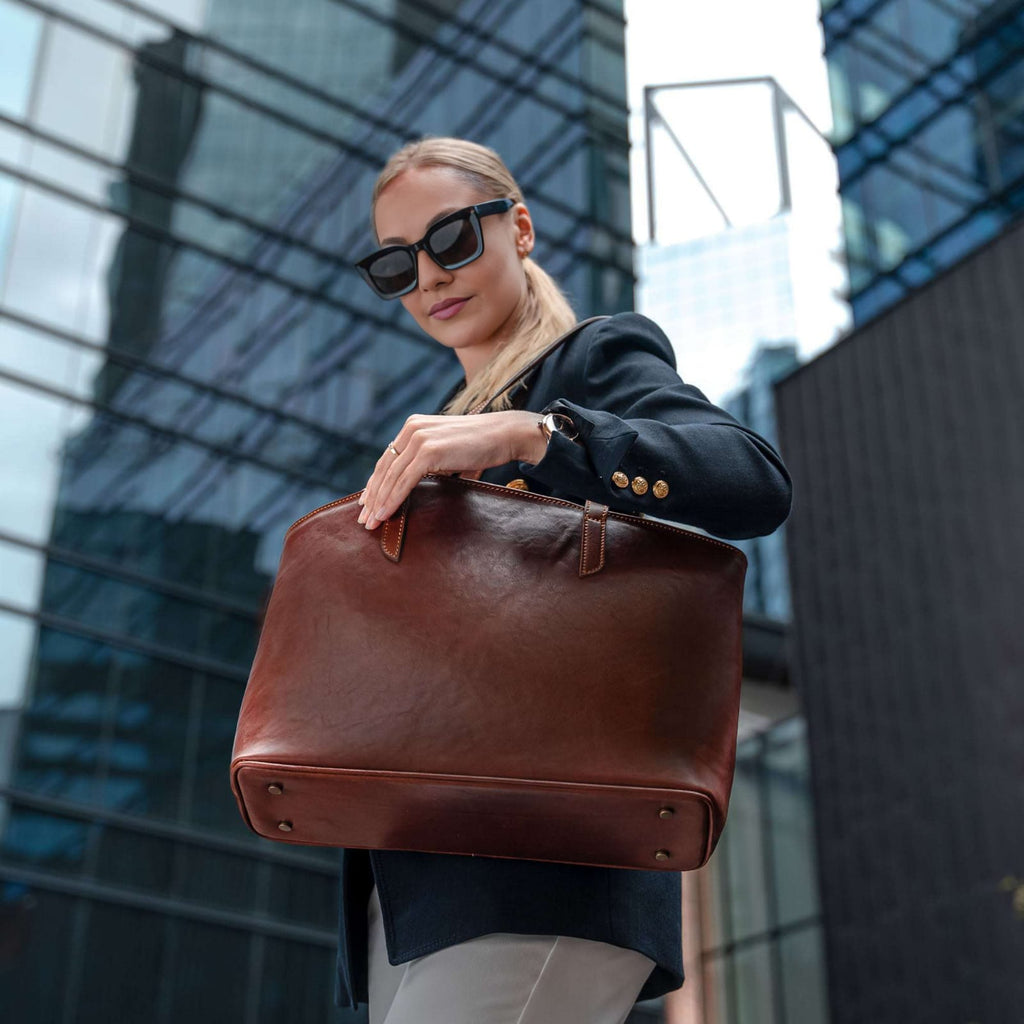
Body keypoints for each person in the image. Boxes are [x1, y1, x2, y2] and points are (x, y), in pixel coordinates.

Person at [337, 136, 793, 1024]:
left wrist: (534, 435)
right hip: (416, 879)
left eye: (452, 240)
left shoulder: (588, 365)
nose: (430, 276)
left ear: (519, 228)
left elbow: (750, 478)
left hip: (548, 858)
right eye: (398, 262)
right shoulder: (429, 437)